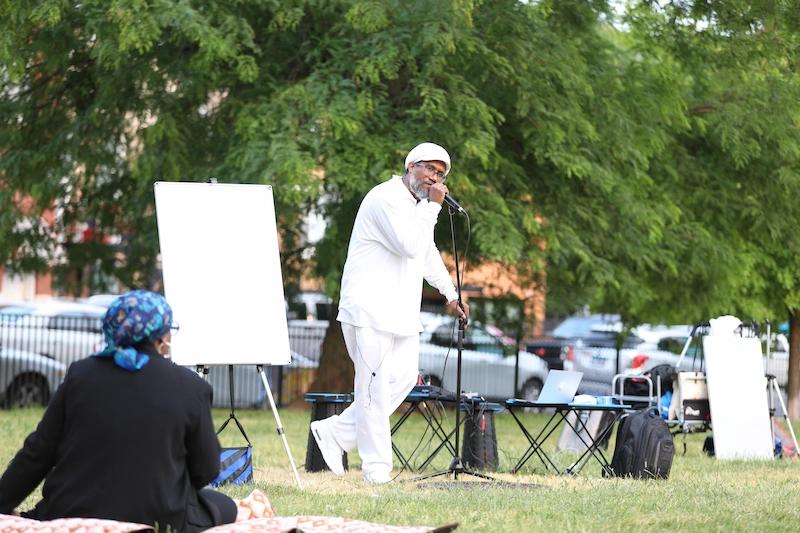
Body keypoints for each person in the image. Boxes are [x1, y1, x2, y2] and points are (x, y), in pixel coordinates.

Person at [0, 290, 236, 533]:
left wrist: (3, 503)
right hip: (159, 515)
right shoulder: (190, 386)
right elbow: (206, 469)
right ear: (161, 335)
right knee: (225, 505)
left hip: (71, 510)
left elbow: (37, 454)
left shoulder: (80, 376)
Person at [310, 142, 469, 485]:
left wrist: (451, 294)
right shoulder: (384, 198)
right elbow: (410, 245)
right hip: (369, 310)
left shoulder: (419, 209)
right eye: (429, 169)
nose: (434, 178)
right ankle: (376, 470)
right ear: (411, 165)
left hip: (400, 314)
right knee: (374, 390)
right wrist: (433, 209)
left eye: (441, 174)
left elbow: (426, 254)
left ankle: (336, 432)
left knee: (399, 382)